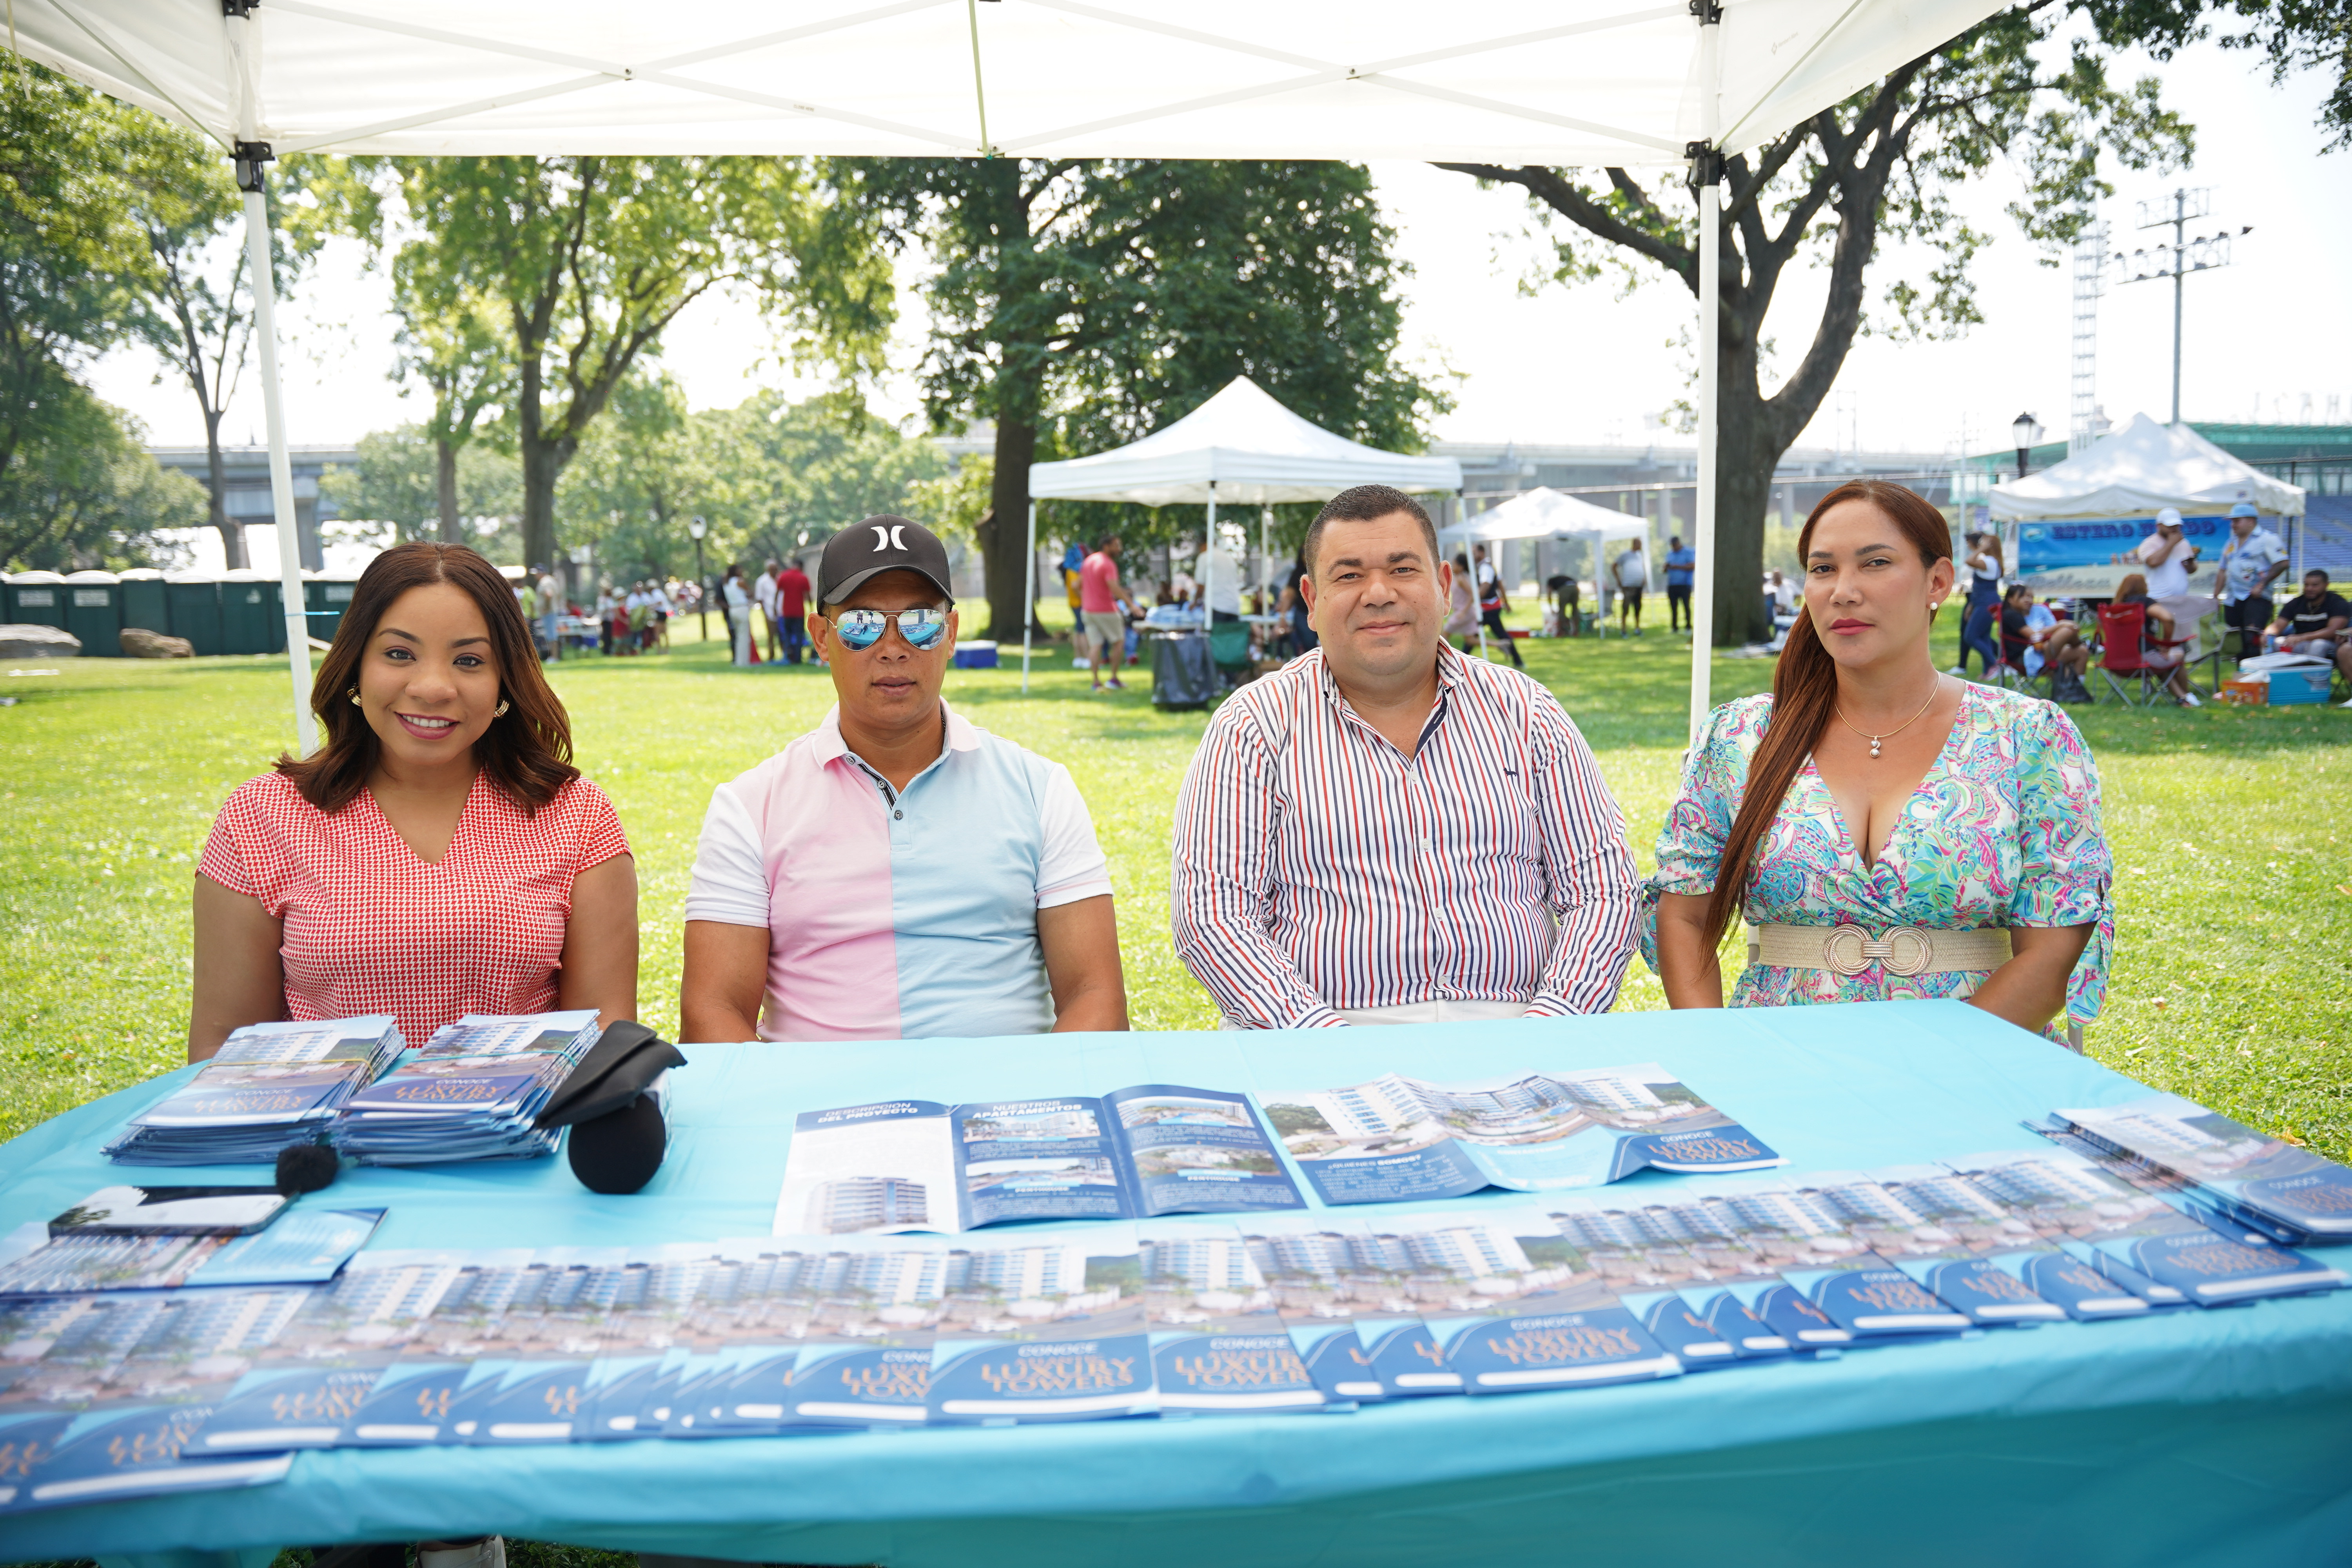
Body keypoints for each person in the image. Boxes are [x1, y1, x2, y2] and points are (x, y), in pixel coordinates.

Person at [1646, 479, 2109, 1043]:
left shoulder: (2028, 738)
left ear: (1938, 582)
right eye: (1822, 569)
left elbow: (2056, 947)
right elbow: (1684, 915)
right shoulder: (1740, 738)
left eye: (1875, 563)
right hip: (1776, 1069)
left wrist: (1932, 1073)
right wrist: (1722, 1056)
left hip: (1983, 1071)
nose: (1843, 591)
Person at [1171, 484, 1640, 1027]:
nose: (1378, 593)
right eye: (1348, 576)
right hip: (1311, 1040)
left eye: (1402, 570)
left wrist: (1550, 1027)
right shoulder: (1253, 726)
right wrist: (1324, 1041)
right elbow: (1213, 918)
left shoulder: (1526, 711)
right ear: (1311, 601)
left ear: (1443, 586)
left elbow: (1604, 891)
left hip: (1518, 1031)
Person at [679, 516, 1127, 1041]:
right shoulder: (751, 806)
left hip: (1005, 1110)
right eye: (861, 624)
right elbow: (714, 1012)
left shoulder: (1040, 790)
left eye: (920, 622)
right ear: (822, 637)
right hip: (817, 1112)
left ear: (952, 633)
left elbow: (1095, 997)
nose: (893, 646)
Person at [189, 539, 639, 1058]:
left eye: (469, 660)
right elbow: (224, 1050)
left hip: (518, 1132)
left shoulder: (578, 816)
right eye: (399, 654)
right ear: (356, 664)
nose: (432, 687)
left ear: (505, 684)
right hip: (325, 1134)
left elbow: (601, 1041)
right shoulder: (260, 817)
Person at [2113, 571, 2199, 705]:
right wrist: (2165, 646)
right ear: (2144, 587)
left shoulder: (2115, 608)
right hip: (2144, 659)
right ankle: (2187, 696)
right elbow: (2168, 619)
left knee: (2160, 663)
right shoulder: (2144, 603)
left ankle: (2182, 698)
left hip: (2116, 662)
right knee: (2177, 653)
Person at [2216, 501, 2288, 659]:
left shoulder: (2268, 539)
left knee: (2253, 639)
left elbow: (2283, 562)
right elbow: (2222, 570)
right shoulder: (2231, 543)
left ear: (2251, 521)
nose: (2233, 525)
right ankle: (2243, 679)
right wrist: (2216, 596)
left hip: (2256, 597)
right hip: (2234, 599)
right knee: (2237, 642)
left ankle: (2257, 677)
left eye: (2237, 521)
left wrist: (2262, 584)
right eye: (2232, 522)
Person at [2267, 568, 2352, 698]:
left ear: (2326, 585)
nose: (2310, 589)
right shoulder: (2296, 603)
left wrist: (2302, 637)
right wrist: (2268, 635)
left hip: (2331, 644)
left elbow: (2333, 631)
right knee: (2276, 643)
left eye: (2315, 585)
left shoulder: (2337, 603)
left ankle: (2309, 688)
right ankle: (2280, 686)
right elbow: (2278, 625)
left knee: (2318, 645)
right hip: (2301, 643)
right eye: (2307, 585)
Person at [1998, 584, 2092, 702]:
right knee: (2067, 630)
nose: (2028, 600)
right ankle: (2081, 643)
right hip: (2025, 659)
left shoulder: (2035, 611)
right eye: (2023, 597)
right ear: (2011, 600)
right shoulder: (2010, 615)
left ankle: (2075, 691)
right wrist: (2061, 624)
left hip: (2040, 652)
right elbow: (2033, 636)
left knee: (2082, 652)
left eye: (2030, 597)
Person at [1952, 532, 2002, 676]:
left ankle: (1994, 665)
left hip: (1987, 603)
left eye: (1984, 543)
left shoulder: (1990, 562)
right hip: (1982, 601)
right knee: (1984, 636)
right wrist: (1971, 605)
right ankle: (1988, 670)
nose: (1981, 545)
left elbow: (1969, 561)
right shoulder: (1991, 561)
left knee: (1971, 636)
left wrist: (1980, 549)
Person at [1080, 535, 1127, 692]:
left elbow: (1077, 584)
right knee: (1119, 642)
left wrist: (1086, 597)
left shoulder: (1089, 561)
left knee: (1095, 646)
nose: (1119, 549)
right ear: (1106, 546)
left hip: (1088, 610)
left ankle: (1095, 681)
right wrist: (1132, 605)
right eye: (1116, 545)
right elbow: (1114, 587)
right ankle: (1113, 678)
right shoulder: (1108, 564)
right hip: (1106, 610)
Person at [1471, 544, 1526, 668]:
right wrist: (1506, 603)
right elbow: (1501, 585)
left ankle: (1517, 659)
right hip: (1491, 607)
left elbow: (1485, 586)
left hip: (1487, 608)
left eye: (1474, 553)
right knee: (1473, 634)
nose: (1472, 556)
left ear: (1481, 552)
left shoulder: (1485, 568)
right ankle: (1517, 660)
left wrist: (1470, 600)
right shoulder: (1489, 566)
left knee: (1472, 634)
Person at [1277, 550, 1318, 657]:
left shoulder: (1323, 569)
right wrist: (1282, 616)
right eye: (1303, 553)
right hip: (1303, 613)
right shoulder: (1297, 572)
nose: (1306, 556)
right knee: (1309, 646)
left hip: (1324, 611)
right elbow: (1289, 595)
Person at [1196, 535, 1242, 624]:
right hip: (1234, 606)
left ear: (1204, 545)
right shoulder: (1229, 558)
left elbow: (1201, 585)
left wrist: (1195, 603)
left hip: (1217, 606)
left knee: (1215, 636)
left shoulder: (1205, 557)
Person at [776, 555, 811, 665]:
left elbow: (778, 593)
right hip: (799, 612)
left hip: (786, 612)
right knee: (799, 634)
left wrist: (774, 607)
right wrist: (810, 608)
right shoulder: (803, 577)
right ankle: (797, 658)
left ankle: (787, 656)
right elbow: (807, 595)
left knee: (787, 635)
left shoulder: (784, 576)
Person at [1446, 550, 1479, 652]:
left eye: (1454, 564)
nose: (1453, 567)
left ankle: (1450, 659)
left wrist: (1464, 611)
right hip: (1462, 612)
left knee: (1444, 635)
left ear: (1461, 567)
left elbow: (1472, 594)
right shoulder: (1458, 578)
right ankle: (1500, 644)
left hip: (1464, 613)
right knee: (1470, 640)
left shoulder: (1461, 579)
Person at [1612, 540, 1647, 634]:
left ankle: (1637, 628)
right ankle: (1624, 629)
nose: (1641, 546)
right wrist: (1619, 581)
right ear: (1635, 544)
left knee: (1638, 607)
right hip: (1628, 586)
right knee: (1626, 608)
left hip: (1638, 586)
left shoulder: (1640, 556)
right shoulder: (1625, 555)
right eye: (1640, 544)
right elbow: (1614, 566)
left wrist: (1644, 579)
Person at [722, 563, 753, 666]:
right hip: (741, 608)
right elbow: (750, 592)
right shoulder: (739, 581)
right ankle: (744, 662)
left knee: (739, 637)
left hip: (733, 609)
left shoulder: (726, 583)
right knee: (744, 636)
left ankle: (739, 661)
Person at [1664, 535, 1696, 632]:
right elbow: (1666, 568)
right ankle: (1674, 627)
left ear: (1679, 544)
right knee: (1673, 607)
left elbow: (1692, 566)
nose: (1674, 547)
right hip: (1672, 584)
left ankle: (1688, 626)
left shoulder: (1688, 552)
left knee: (1686, 606)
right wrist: (1666, 567)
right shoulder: (1670, 554)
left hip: (1685, 584)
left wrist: (1677, 567)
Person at [754, 557, 783, 663]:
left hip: (781, 611)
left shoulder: (781, 579)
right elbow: (760, 599)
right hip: (769, 611)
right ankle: (771, 656)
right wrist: (765, 613)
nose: (774, 571)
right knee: (771, 636)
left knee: (782, 635)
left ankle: (784, 656)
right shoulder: (762, 581)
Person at [534, 564, 561, 661]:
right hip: (552, 611)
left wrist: (546, 607)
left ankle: (554, 657)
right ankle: (554, 656)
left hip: (549, 612)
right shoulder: (551, 580)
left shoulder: (545, 582)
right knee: (551, 634)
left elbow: (549, 595)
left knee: (551, 635)